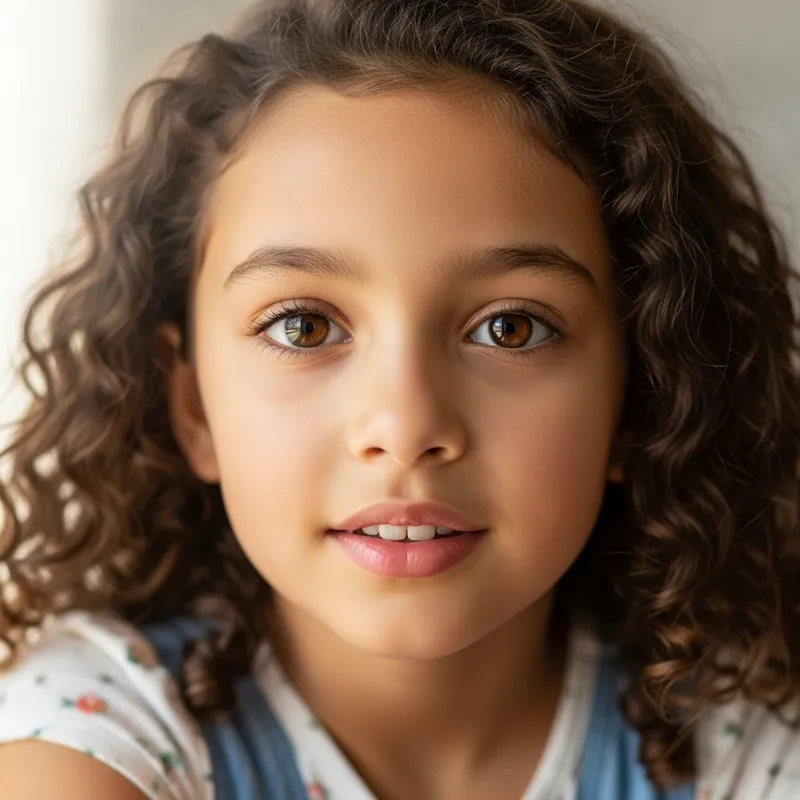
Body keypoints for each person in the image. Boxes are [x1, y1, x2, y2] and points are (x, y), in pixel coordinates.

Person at [0, 0, 799, 797]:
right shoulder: (91, 740)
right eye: (305, 327)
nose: (407, 425)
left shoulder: (743, 731)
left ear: (640, 394)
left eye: (512, 328)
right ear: (195, 407)